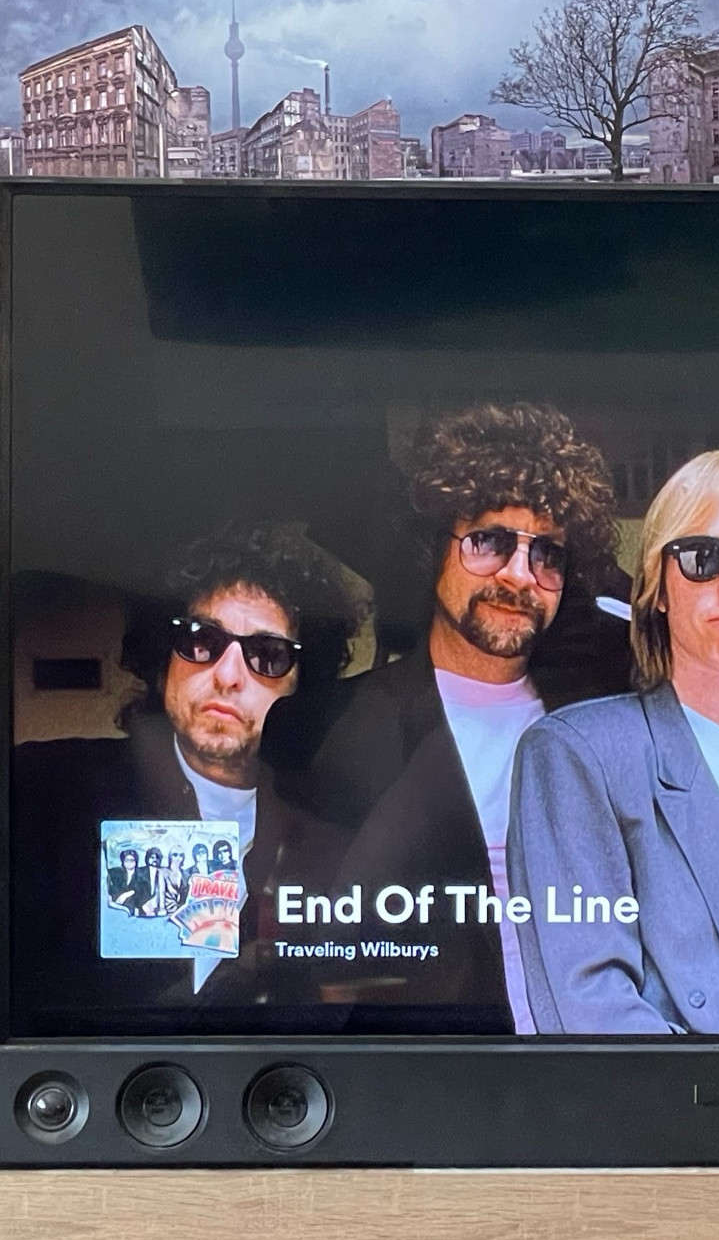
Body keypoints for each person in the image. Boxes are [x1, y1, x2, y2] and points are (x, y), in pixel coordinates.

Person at [264, 401, 627, 1030]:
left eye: (548, 555)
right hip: (420, 1077)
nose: (521, 576)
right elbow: (318, 941)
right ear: (434, 547)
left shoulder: (603, 722)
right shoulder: (320, 727)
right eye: (489, 541)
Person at [508, 450, 719, 1034]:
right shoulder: (577, 755)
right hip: (664, 1120)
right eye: (703, 557)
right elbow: (591, 1012)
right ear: (657, 587)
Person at [10, 522, 361, 1031]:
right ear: (160, 662)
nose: (227, 673)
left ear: (302, 686)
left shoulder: (336, 829)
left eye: (267, 655)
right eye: (201, 642)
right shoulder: (42, 790)